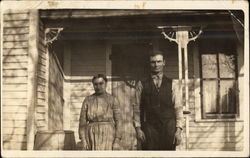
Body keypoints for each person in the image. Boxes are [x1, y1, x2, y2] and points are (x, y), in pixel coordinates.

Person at [133, 50, 184, 150]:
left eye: (159, 61)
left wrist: (178, 130)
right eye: (153, 62)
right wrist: (138, 129)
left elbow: (178, 108)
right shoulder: (141, 84)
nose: (156, 65)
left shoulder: (172, 83)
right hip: (149, 128)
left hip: (169, 128)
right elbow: (136, 109)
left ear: (164, 62)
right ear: (149, 63)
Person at [78, 74, 122, 150]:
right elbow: (82, 122)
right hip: (91, 134)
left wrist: (117, 140)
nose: (98, 87)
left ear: (106, 84)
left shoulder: (112, 99)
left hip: (108, 134)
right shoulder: (88, 100)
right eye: (95, 84)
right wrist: (83, 140)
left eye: (101, 84)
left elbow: (119, 121)